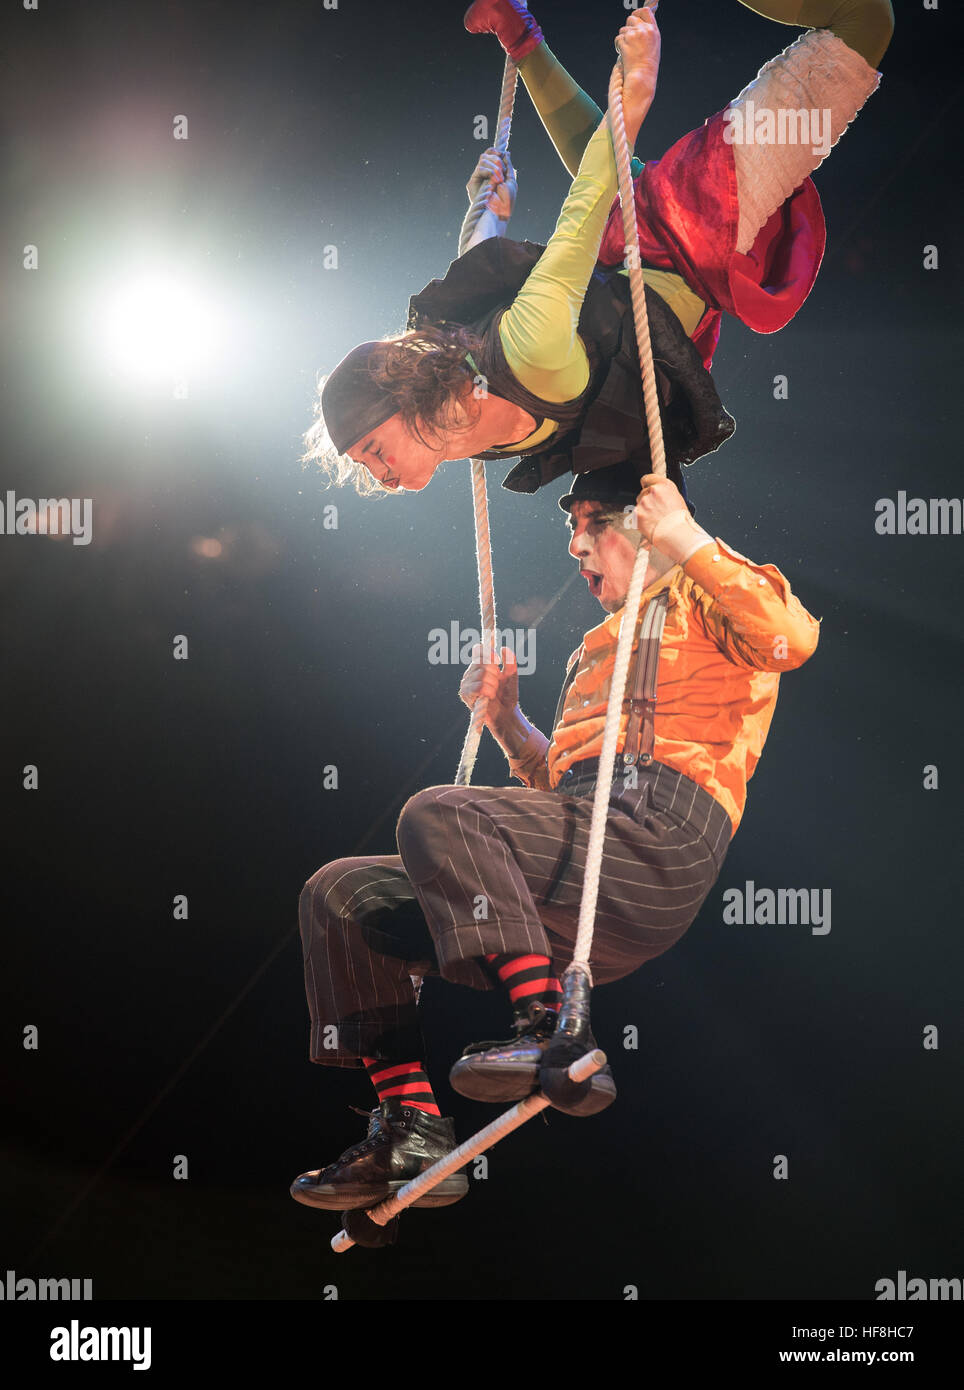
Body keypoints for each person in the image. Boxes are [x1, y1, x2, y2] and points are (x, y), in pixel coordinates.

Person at [291, 461, 820, 1212]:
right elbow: (560, 805)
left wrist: (688, 537)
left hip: (659, 844)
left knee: (439, 812)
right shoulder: (592, 650)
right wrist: (506, 721)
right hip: (582, 866)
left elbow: (789, 640)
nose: (575, 547)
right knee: (339, 893)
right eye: (571, 528)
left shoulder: (710, 594)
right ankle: (409, 1126)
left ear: (647, 527)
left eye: (592, 524)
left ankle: (546, 1025)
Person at [301, 0, 893, 502]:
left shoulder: (526, 352)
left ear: (406, 402)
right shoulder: (461, 417)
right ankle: (519, 32)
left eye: (373, 450)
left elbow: (583, 209)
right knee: (625, 193)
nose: (378, 476)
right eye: (364, 466)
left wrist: (635, 90)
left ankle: (524, 38)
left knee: (866, 22)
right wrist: (489, 215)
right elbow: (478, 290)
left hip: (703, 224)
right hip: (631, 247)